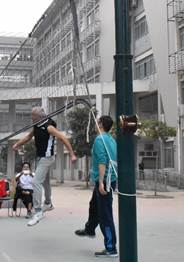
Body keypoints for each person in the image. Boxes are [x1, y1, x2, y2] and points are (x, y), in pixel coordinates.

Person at [12, 106, 78, 227]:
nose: (31, 117)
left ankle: (38, 211)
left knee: (36, 182)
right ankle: (48, 203)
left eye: (33, 115)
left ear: (39, 116)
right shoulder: (36, 125)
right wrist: (17, 144)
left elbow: (63, 138)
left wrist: (72, 154)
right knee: (45, 182)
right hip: (40, 158)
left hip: (47, 158)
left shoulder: (49, 127)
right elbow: (28, 137)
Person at [74, 115, 118, 258]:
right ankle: (90, 229)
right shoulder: (111, 139)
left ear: (101, 124)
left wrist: (101, 182)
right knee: (94, 205)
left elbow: (102, 162)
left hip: (104, 180)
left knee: (105, 215)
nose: (95, 124)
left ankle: (111, 248)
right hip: (108, 178)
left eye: (97, 122)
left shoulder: (100, 139)